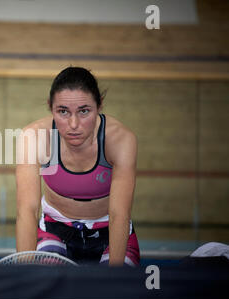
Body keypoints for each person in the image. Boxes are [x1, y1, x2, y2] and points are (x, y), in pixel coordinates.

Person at [15, 66, 140, 267]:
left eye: (84, 111)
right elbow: (27, 210)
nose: (73, 124)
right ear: (50, 107)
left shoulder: (120, 139)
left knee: (115, 292)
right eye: (63, 111)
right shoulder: (35, 137)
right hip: (54, 230)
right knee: (45, 284)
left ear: (99, 106)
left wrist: (115, 277)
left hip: (110, 232)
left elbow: (119, 214)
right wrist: (25, 270)